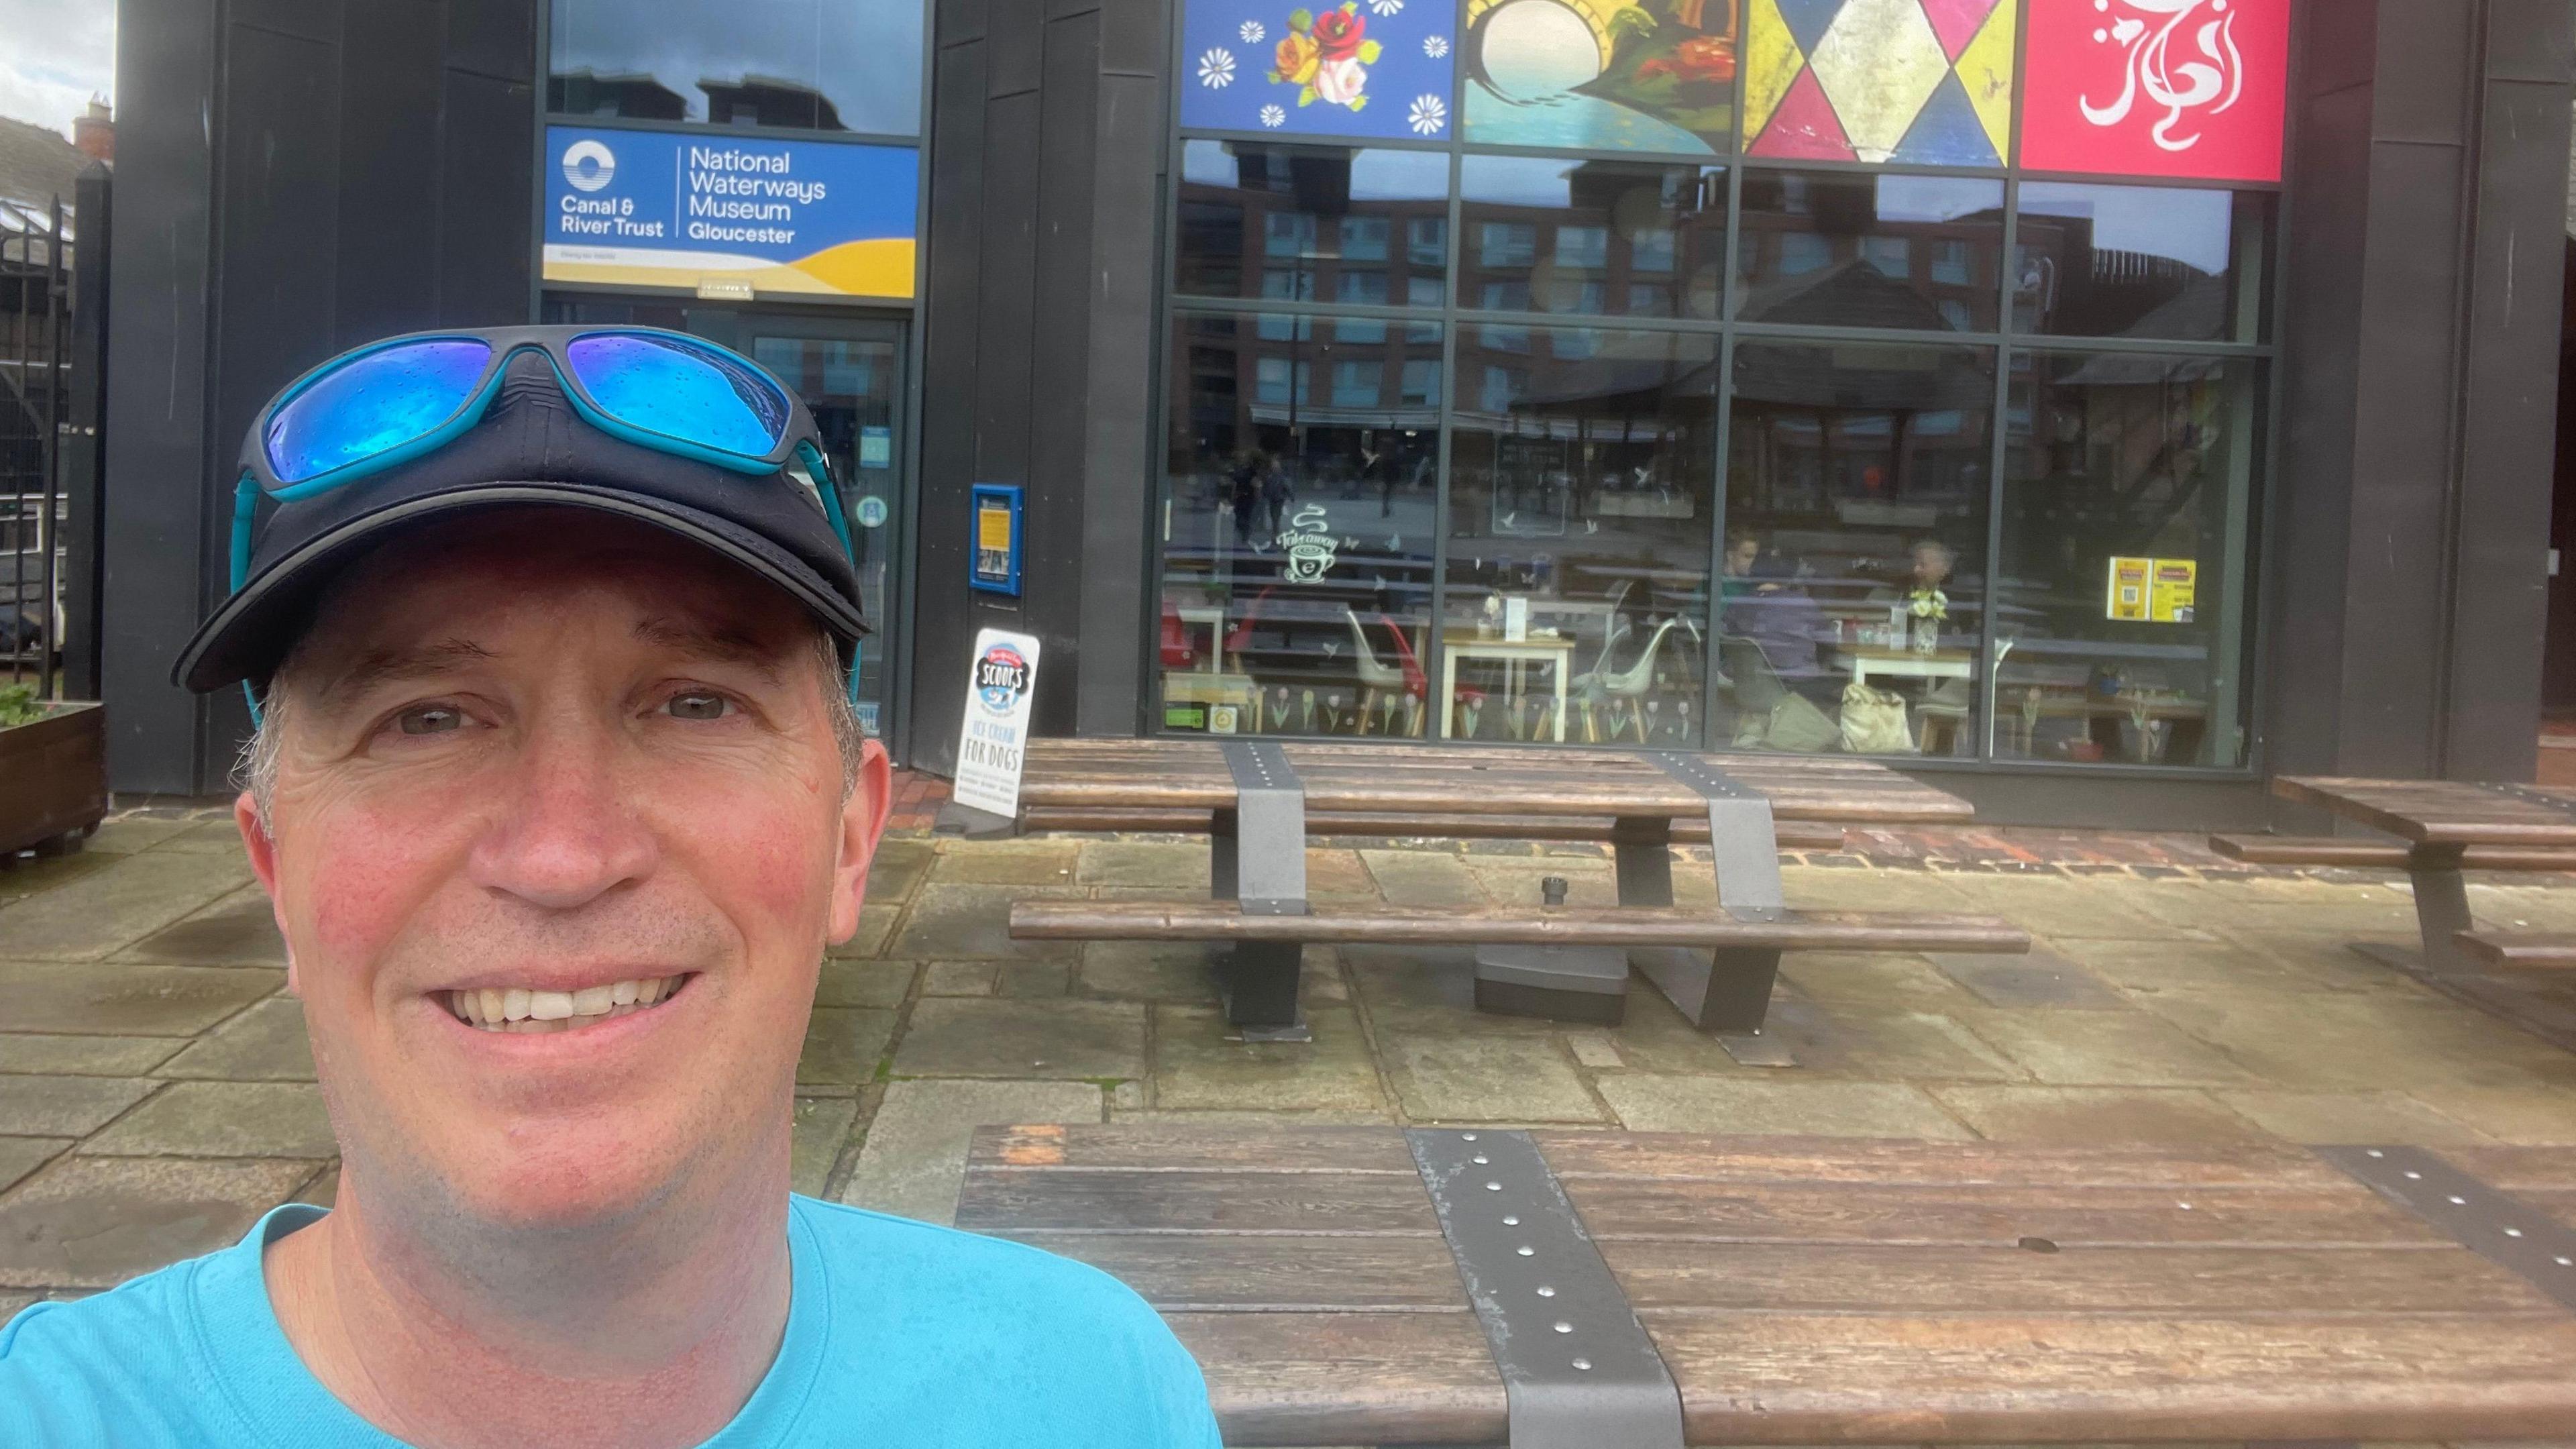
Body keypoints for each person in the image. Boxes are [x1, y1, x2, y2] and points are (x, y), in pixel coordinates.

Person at [0, 328, 1219, 1448]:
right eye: (426, 719)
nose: (563, 856)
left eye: (695, 703)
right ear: (279, 869)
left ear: (852, 839)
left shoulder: (1095, 1398)